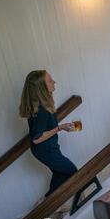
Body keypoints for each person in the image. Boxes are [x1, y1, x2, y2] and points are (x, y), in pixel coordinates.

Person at [19, 70, 77, 211]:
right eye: (50, 81)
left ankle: (44, 203)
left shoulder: (41, 105)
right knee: (73, 171)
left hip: (48, 148)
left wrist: (61, 127)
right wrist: (60, 128)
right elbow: (37, 138)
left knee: (60, 173)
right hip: (45, 150)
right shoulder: (42, 109)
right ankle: (55, 205)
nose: (54, 82)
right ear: (41, 88)